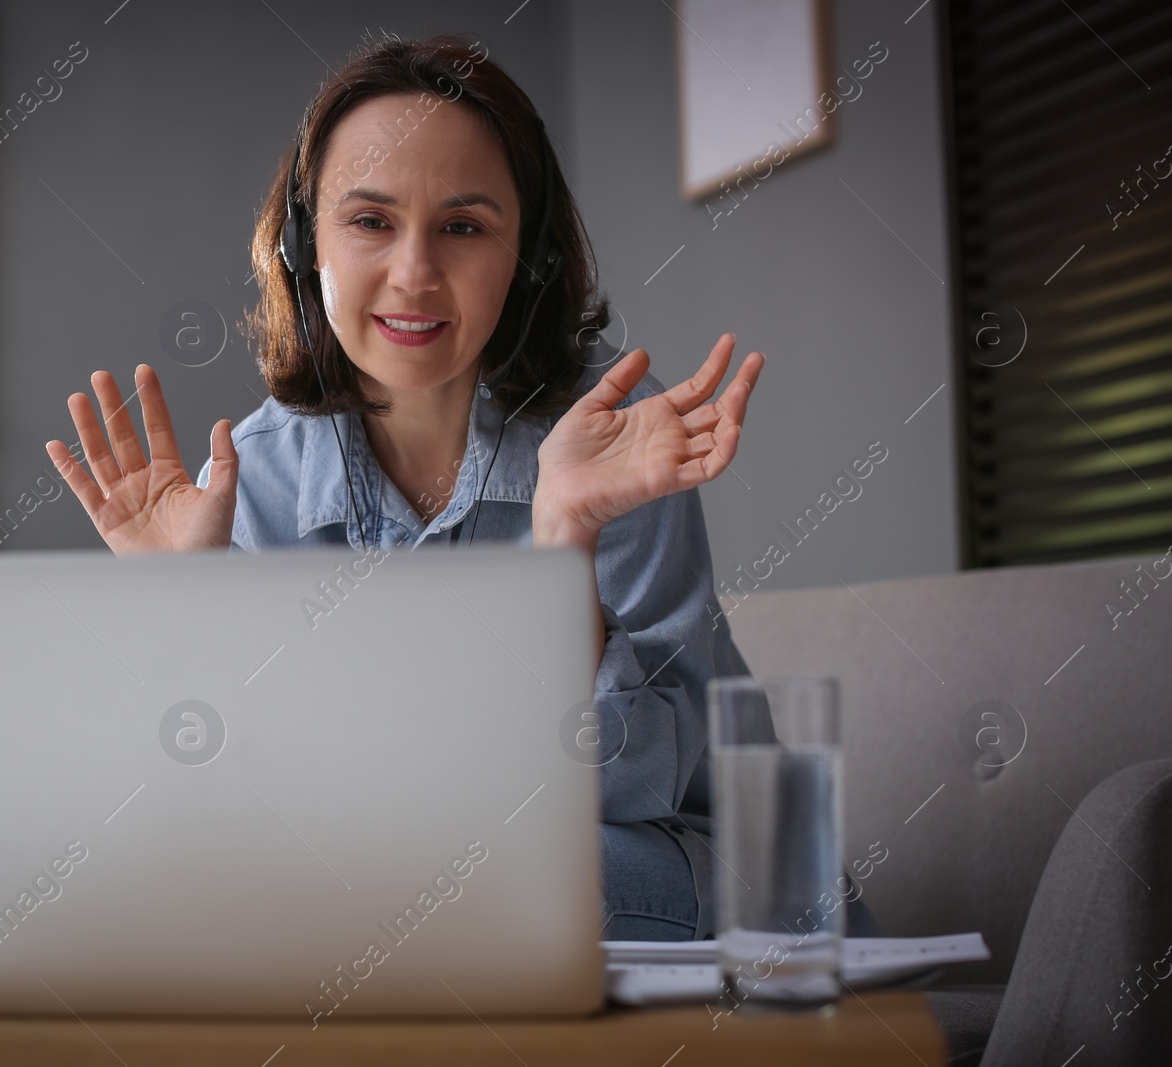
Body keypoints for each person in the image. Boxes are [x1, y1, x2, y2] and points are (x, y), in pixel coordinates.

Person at [45, 34, 763, 941]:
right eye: (370, 221)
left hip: (667, 871)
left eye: (464, 226)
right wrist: (189, 613)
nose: (414, 273)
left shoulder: (615, 433)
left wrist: (564, 536)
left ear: (528, 254)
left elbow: (622, 783)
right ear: (306, 246)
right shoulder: (259, 474)